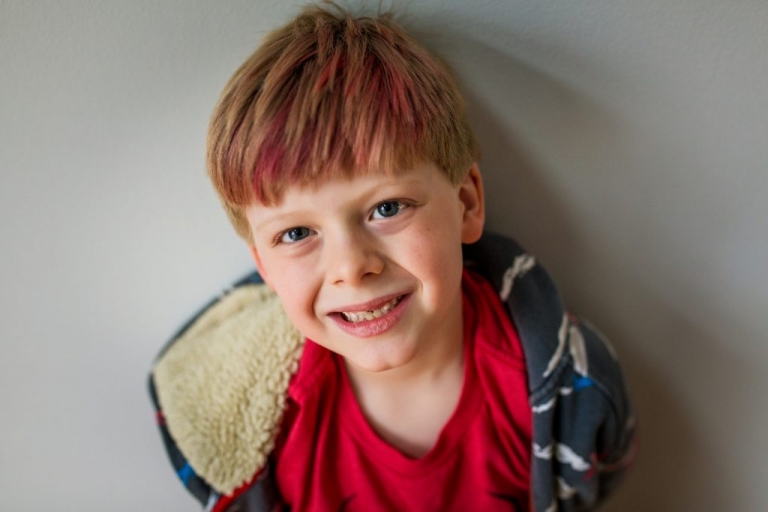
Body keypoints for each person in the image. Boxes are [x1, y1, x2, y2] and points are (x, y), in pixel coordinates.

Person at [148, 3, 636, 511]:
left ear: (467, 203)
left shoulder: (576, 390)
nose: (351, 267)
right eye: (296, 233)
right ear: (264, 266)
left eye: (387, 208)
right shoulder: (251, 429)